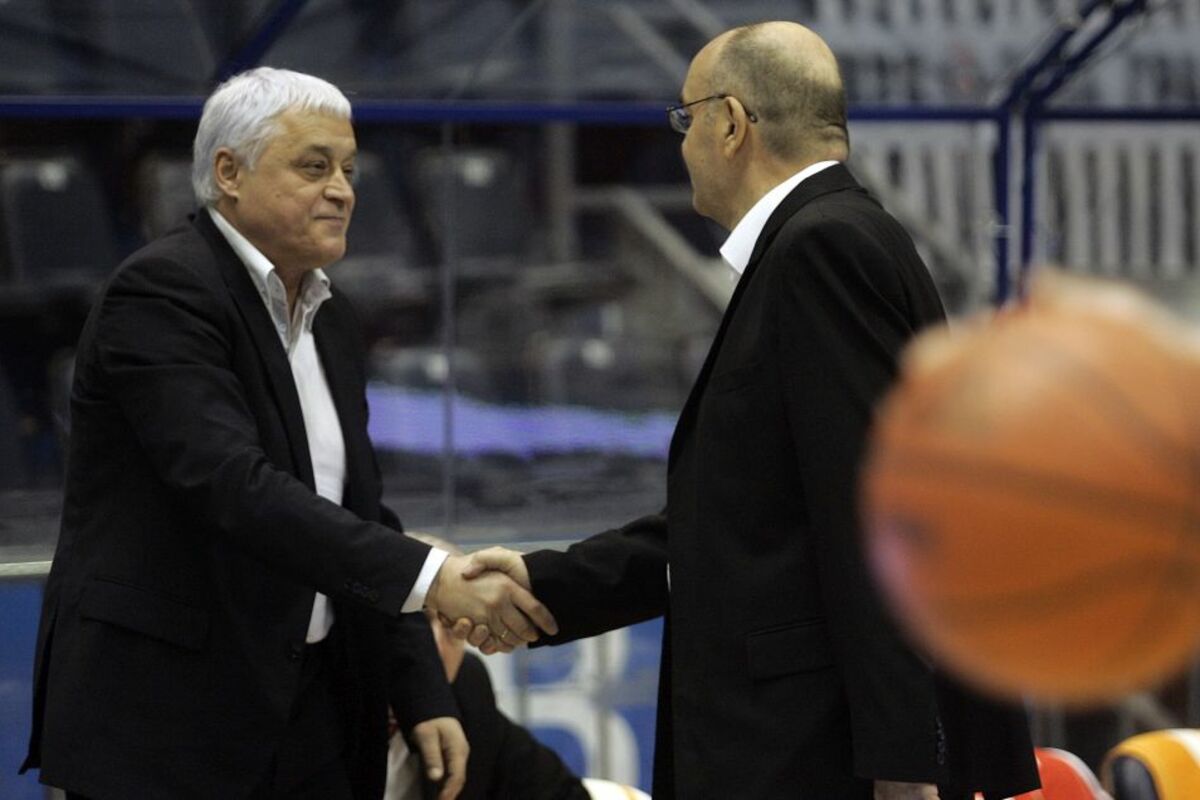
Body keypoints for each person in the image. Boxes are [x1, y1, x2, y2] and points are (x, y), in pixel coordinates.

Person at [460, 22, 1040, 800]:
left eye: (686, 118)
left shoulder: (822, 249)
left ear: (731, 123)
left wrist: (904, 768)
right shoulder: (830, 240)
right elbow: (746, 523)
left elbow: (876, 515)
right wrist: (549, 582)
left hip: (815, 758)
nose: (682, 143)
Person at [20, 67, 555, 800]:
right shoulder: (162, 293)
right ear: (228, 173)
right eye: (313, 166)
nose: (342, 190)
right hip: (170, 724)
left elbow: (357, 512)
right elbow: (233, 488)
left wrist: (422, 689)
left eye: (349, 170)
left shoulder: (331, 318)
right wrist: (434, 579)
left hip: (312, 716)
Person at [386, 534, 589, 800]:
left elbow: (561, 793)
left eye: (452, 626)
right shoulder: (333, 694)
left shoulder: (465, 689)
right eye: (418, 624)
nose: (435, 647)